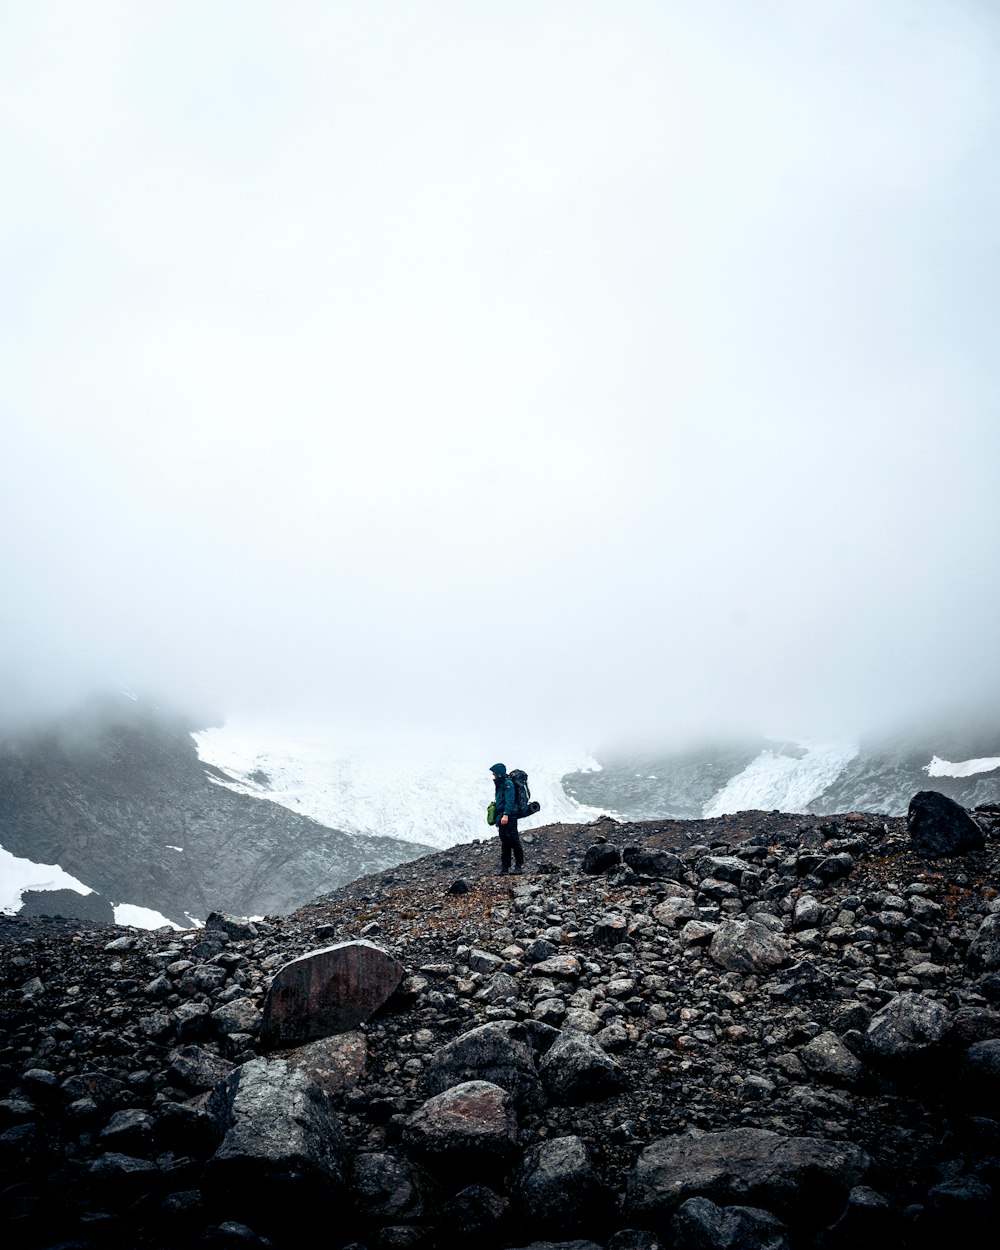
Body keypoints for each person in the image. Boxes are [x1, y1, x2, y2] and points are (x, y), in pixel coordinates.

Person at [490, 762, 524, 875]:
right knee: (505, 842)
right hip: (502, 816)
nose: (493, 775)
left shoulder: (508, 783)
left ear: (499, 773)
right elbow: (500, 801)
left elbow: (510, 800)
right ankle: (505, 868)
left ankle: (518, 866)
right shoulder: (500, 785)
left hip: (509, 816)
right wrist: (498, 818)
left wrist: (506, 815)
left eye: (494, 773)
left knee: (514, 840)